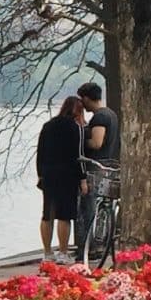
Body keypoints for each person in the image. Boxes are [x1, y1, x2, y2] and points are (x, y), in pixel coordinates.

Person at [75, 80, 120, 258]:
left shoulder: (100, 117)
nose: (81, 103)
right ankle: (101, 244)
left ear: (87, 98)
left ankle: (89, 247)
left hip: (97, 167)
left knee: (89, 208)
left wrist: (78, 139)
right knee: (103, 207)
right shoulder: (112, 114)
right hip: (109, 165)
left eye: (82, 99)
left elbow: (97, 142)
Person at [35, 95, 84, 257]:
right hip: (67, 175)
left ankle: (47, 252)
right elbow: (77, 155)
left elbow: (40, 152)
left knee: (47, 214)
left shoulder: (48, 126)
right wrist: (82, 178)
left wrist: (40, 174)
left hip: (48, 174)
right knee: (64, 215)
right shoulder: (74, 127)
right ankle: (63, 252)